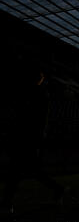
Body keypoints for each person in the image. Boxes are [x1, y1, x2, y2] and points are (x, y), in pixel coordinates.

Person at [1, 62, 65, 214]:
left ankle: (6, 202)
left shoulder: (39, 96)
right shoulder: (36, 94)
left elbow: (39, 119)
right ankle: (58, 189)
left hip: (27, 137)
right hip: (25, 137)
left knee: (17, 170)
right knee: (30, 171)